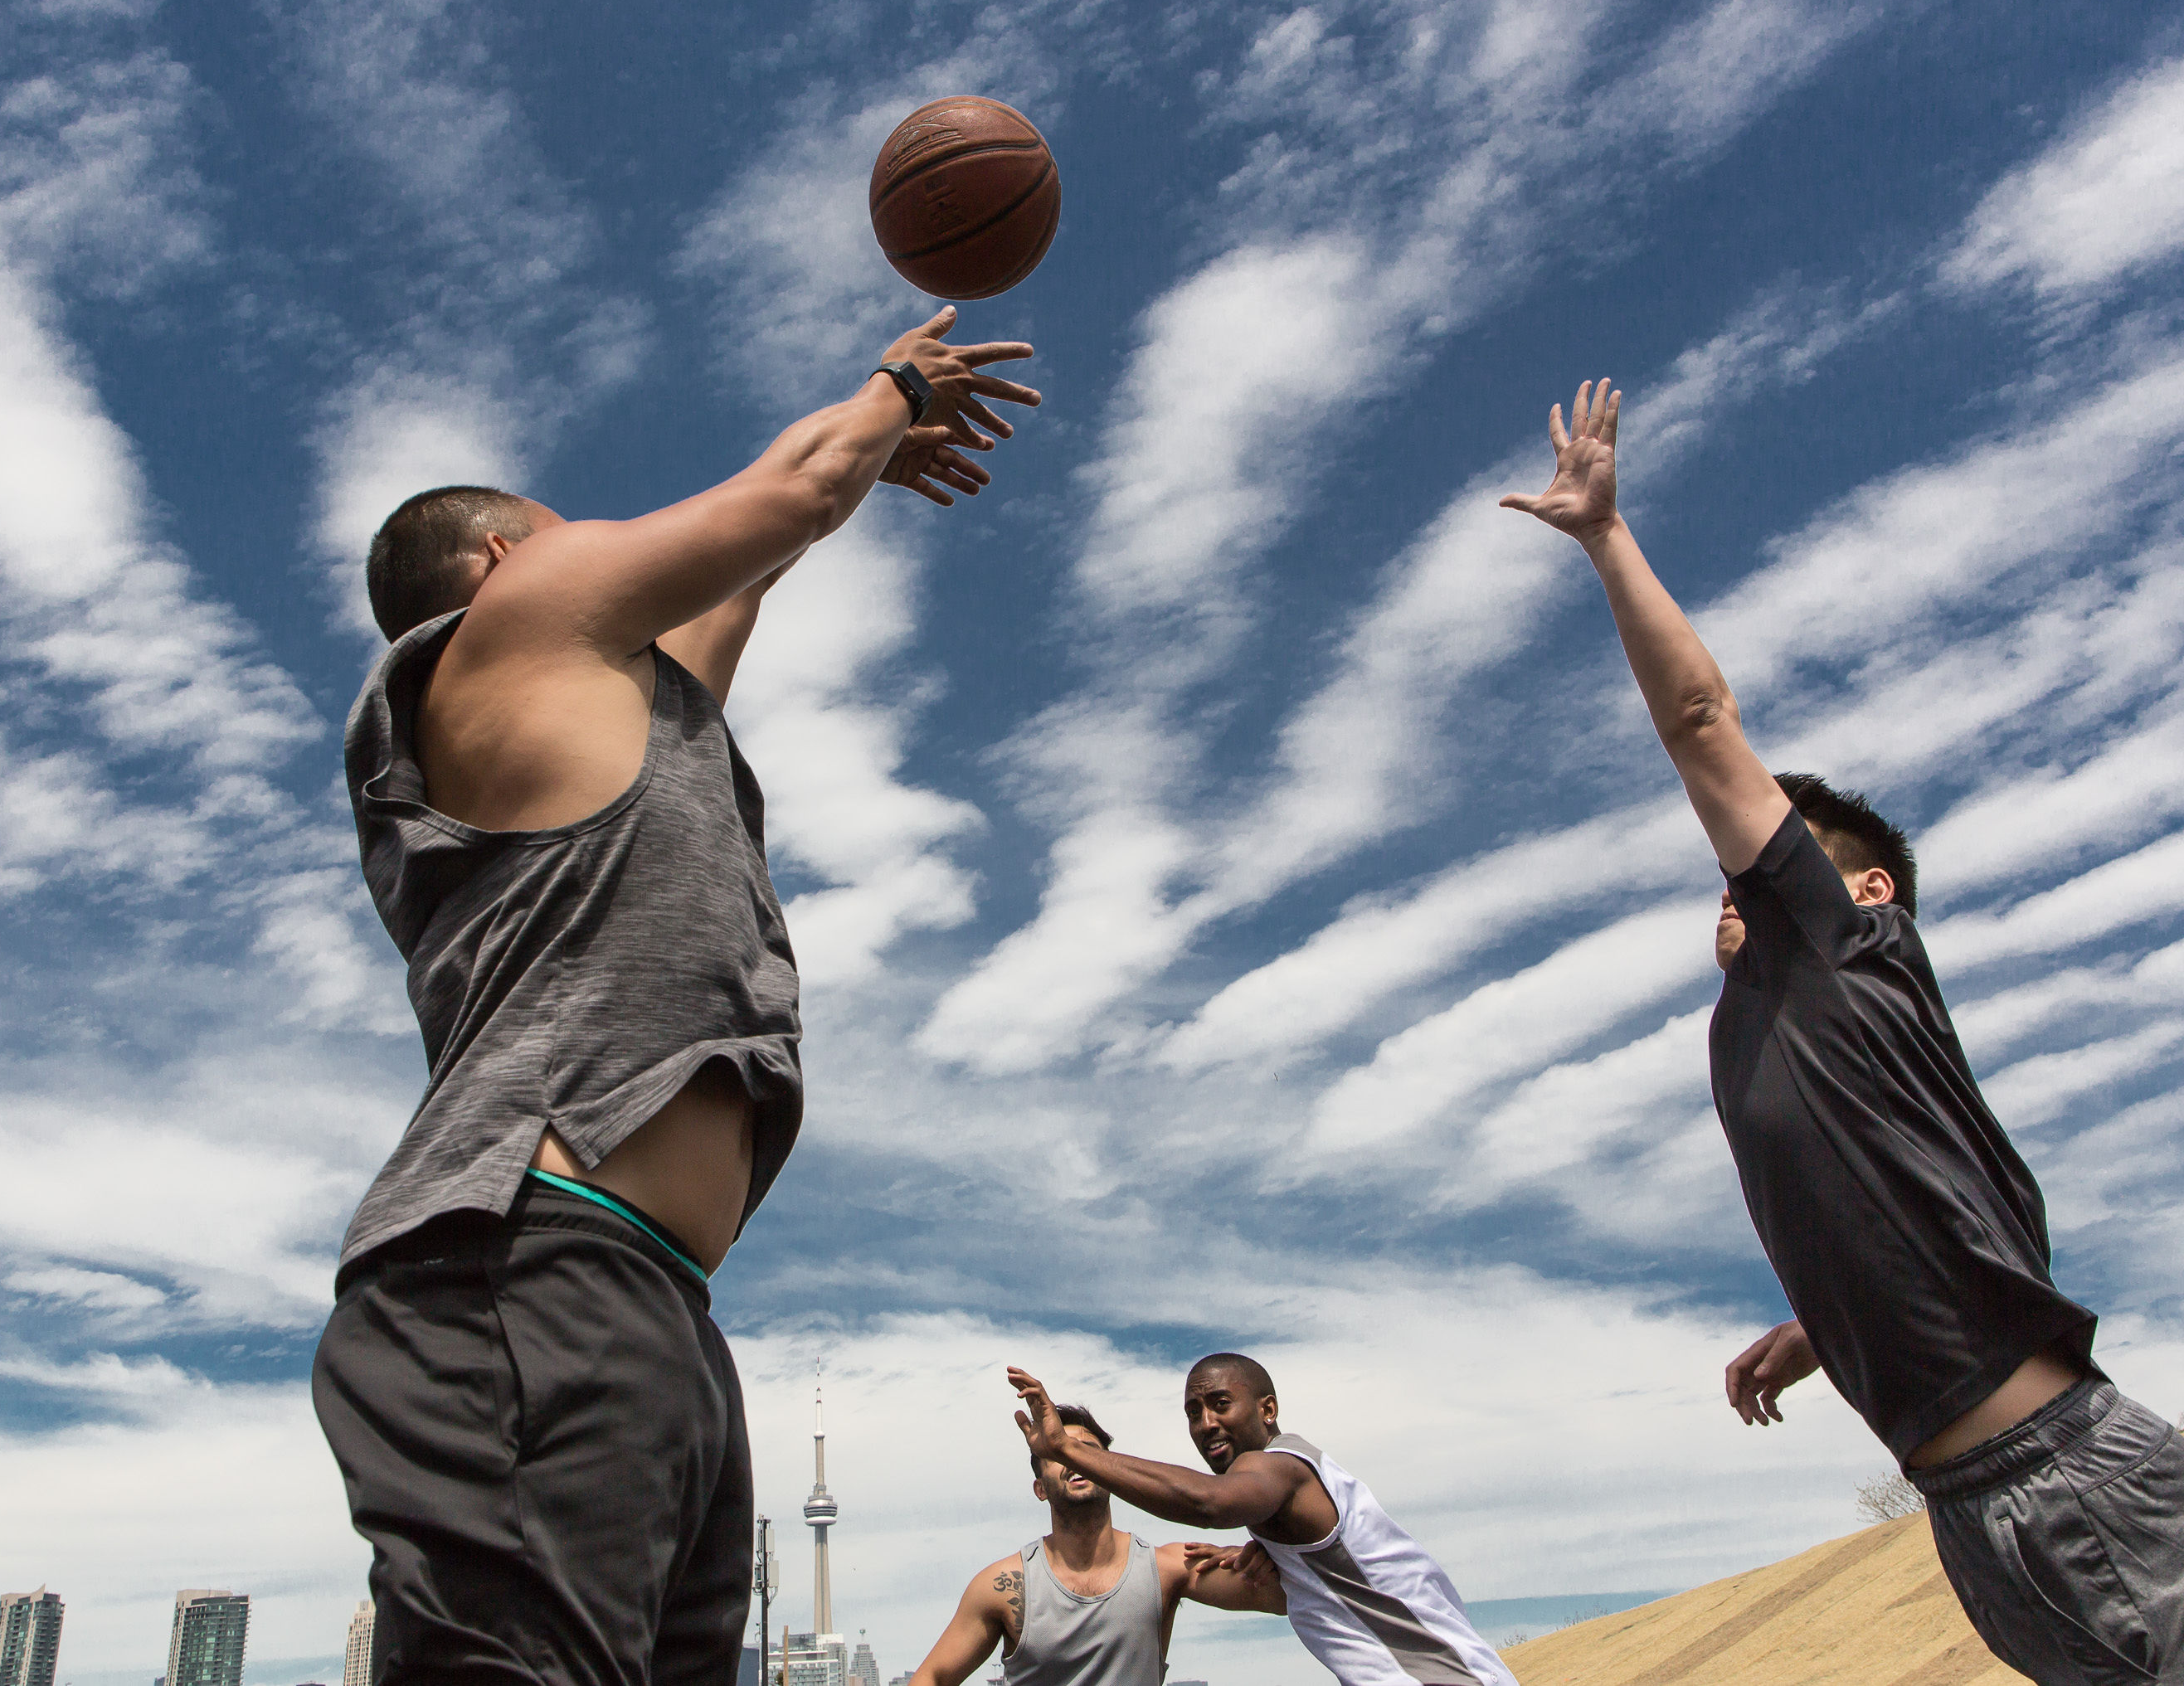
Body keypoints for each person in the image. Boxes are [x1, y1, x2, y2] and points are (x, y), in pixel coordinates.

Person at [312, 307, 1040, 1686]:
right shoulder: (515, 620)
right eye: (571, 531)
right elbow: (782, 494)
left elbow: (747, 570)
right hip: (525, 1267)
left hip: (652, 1298)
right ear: (504, 556)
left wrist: (848, 482)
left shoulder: (603, 703)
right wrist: (893, 390)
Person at [1502, 381, 2184, 1684]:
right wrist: (1817, 1325)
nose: (1735, 878)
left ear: (1860, 890)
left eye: (1768, 858)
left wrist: (1604, 536)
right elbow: (1970, 1222)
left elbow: (1702, 724)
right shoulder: (1804, 1027)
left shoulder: (1849, 943)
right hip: (1980, 1514)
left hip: (2072, 1481)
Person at [1009, 1359, 1517, 1686]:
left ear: (1267, 1408)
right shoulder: (1290, 1488)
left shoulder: (1279, 1465)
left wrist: (1066, 1448)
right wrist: (1273, 1556)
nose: (1206, 1423)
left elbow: (1210, 1504)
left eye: (1220, 1404)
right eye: (1193, 1412)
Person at [911, 1401, 1287, 1686]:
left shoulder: (1169, 1568)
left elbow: (1286, 1598)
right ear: (1040, 1487)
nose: (1076, 1460)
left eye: (1087, 1451)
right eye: (1057, 1453)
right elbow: (932, 1677)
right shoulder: (1003, 1586)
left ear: (1112, 1471)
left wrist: (1265, 1556)